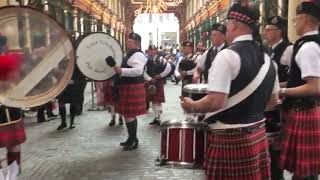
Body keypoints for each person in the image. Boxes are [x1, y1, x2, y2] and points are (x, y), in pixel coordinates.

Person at [181, 3, 279, 179]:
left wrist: (192, 106)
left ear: (233, 24)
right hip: (257, 133)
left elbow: (216, 102)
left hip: (230, 137)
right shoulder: (267, 59)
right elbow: (272, 102)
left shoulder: (227, 56)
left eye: (226, 23)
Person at [279, 1, 320, 179]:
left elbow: (314, 87)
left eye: (296, 20)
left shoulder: (308, 47)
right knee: (303, 172)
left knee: (305, 173)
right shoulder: (311, 43)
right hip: (308, 110)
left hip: (305, 111)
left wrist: (282, 92)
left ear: (304, 19)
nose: (294, 23)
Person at [262, 15, 292, 180]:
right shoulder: (266, 51)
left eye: (269, 30)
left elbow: (295, 79)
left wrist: (276, 86)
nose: (265, 33)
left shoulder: (288, 49)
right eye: (265, 30)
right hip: (265, 103)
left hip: (278, 105)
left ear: (280, 31)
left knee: (275, 150)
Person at [105, 32, 147, 151]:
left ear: (137, 43)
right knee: (127, 114)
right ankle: (131, 138)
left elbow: (138, 71)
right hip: (127, 86)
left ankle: (133, 140)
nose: (127, 43)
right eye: (128, 41)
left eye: (130, 42)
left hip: (132, 87)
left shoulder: (137, 55)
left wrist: (120, 70)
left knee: (129, 115)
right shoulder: (130, 54)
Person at [0, 34, 26, 180]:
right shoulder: (11, 60)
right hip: (10, 107)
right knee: (14, 145)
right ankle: (12, 177)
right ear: (4, 45)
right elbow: (18, 81)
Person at [144, 51, 172, 126]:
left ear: (156, 51)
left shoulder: (162, 59)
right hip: (150, 82)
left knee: (157, 101)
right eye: (150, 51)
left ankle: (158, 117)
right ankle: (156, 117)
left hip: (158, 81)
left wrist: (160, 75)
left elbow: (168, 67)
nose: (152, 52)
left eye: (153, 50)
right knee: (152, 100)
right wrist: (149, 79)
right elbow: (144, 71)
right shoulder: (146, 60)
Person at [56, 65, 86, 130]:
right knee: (61, 102)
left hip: (73, 87)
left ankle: (72, 122)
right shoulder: (62, 63)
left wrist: (75, 82)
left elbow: (81, 77)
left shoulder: (76, 65)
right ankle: (63, 122)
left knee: (73, 103)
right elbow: (58, 75)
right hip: (63, 87)